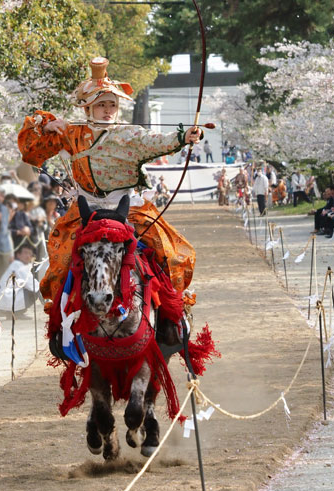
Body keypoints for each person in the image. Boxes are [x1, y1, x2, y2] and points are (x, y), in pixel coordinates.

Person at [18, 56, 201, 332]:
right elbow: (31, 153)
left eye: (111, 105)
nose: (107, 110)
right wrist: (45, 127)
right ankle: (64, 326)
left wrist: (183, 137)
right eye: (101, 105)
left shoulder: (130, 134)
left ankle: (173, 320)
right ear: (88, 108)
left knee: (170, 253)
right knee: (60, 261)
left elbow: (159, 142)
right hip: (85, 209)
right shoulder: (71, 133)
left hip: (128, 207)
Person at [0, 245, 40, 314]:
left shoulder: (20, 265)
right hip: (5, 297)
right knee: (35, 290)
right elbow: (31, 284)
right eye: (25, 253)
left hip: (3, 298)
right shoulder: (18, 264)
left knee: (33, 287)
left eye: (30, 254)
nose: (28, 256)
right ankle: (16, 313)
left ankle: (13, 312)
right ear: (18, 255)